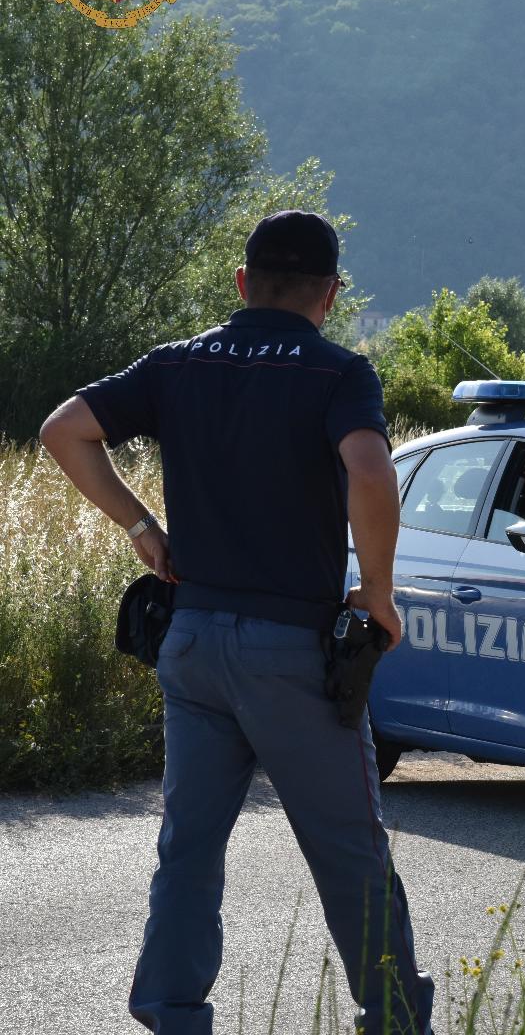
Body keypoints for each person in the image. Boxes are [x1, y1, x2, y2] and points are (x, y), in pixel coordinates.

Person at [39, 210, 435, 1035]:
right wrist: (381, 593)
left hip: (191, 644)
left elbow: (64, 431)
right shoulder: (338, 372)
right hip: (293, 652)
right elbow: (368, 467)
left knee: (188, 849)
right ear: (330, 293)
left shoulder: (178, 362)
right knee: (349, 850)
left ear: (242, 283)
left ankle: (171, 1014)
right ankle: (395, 1019)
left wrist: (142, 528)